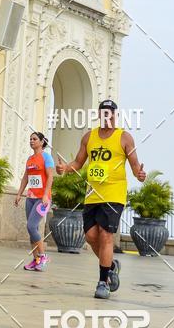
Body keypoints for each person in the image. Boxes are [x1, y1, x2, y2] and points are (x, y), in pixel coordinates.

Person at [56, 99, 146, 299]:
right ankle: (111, 265)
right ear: (100, 115)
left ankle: (103, 282)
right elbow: (79, 162)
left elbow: (134, 166)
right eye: (104, 114)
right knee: (90, 236)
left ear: (115, 116)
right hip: (92, 194)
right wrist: (65, 169)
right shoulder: (89, 137)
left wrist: (140, 174)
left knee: (106, 235)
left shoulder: (124, 138)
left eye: (111, 114)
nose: (107, 118)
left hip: (114, 194)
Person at [15, 131, 54, 271]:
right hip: (30, 198)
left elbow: (50, 177)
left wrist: (45, 195)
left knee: (31, 226)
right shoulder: (30, 159)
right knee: (33, 230)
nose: (31, 141)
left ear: (42, 141)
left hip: (42, 199)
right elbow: (26, 178)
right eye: (30, 139)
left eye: (34, 139)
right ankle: (36, 260)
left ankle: (43, 256)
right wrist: (19, 193)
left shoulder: (47, 157)